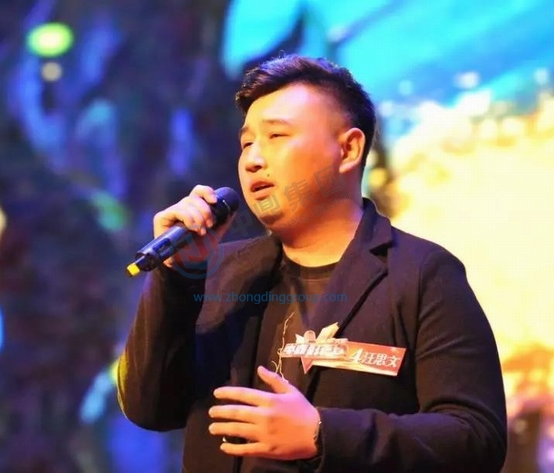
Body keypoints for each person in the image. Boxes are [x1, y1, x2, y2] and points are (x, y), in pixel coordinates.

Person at [116, 53, 508, 473]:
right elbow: (148, 407)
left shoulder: (422, 274)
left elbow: (475, 437)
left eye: (276, 136)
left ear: (348, 149)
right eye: (247, 143)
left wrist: (323, 434)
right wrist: (178, 276)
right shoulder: (220, 272)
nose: (253, 159)